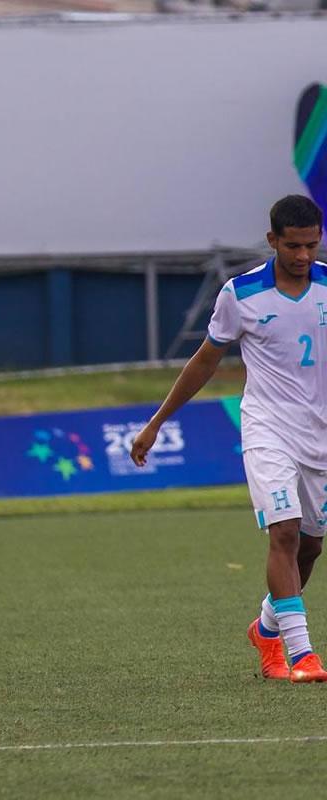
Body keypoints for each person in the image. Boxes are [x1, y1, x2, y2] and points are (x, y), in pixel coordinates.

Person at [131, 195, 327, 683]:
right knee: (283, 531)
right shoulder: (240, 295)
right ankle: (301, 655)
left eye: (311, 244)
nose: (303, 256)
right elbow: (204, 360)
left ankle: (265, 627)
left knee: (310, 548)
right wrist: (157, 422)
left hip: (319, 437)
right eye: (293, 246)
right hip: (267, 429)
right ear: (272, 241)